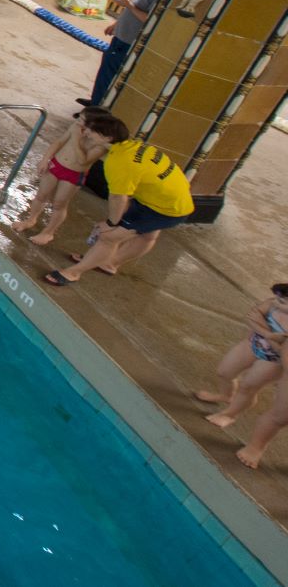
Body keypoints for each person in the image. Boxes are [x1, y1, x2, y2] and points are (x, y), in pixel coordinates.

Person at [44, 132, 195, 286]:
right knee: (147, 236)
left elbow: (119, 197)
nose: (86, 133)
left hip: (165, 209)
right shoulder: (133, 146)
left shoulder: (119, 163)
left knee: (109, 237)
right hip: (170, 199)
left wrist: (111, 223)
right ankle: (108, 263)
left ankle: (73, 273)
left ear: (107, 137)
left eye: (92, 132)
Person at [14, 108, 126, 245]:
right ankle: (30, 219)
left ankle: (48, 232)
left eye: (82, 120)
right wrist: (45, 159)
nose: (78, 122)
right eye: (79, 118)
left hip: (73, 174)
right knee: (41, 195)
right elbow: (59, 142)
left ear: (93, 125)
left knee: (59, 204)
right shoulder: (75, 127)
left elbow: (83, 161)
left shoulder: (99, 144)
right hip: (56, 165)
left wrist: (76, 138)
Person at [79, 0, 177, 106]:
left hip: (129, 40)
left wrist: (128, 5)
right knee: (105, 69)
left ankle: (97, 107)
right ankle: (96, 100)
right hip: (122, 34)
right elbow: (134, 7)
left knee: (110, 73)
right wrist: (117, 24)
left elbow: (150, 19)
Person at [195, 284, 288, 428]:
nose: (277, 301)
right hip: (252, 344)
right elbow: (251, 317)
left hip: (275, 361)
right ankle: (227, 396)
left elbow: (281, 350)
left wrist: (262, 326)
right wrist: (270, 335)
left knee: (248, 387)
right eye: (278, 297)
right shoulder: (273, 303)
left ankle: (230, 415)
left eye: (283, 301)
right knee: (224, 372)